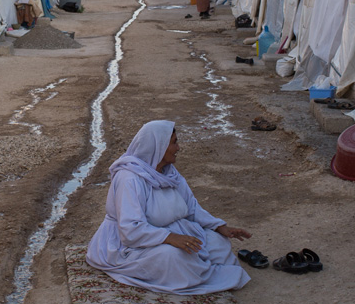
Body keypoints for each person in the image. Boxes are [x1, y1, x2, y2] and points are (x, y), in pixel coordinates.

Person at [86, 120, 252, 294]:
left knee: (220, 244)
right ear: (159, 146)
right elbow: (130, 229)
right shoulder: (129, 178)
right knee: (175, 257)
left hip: (171, 232)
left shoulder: (170, 173)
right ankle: (202, 273)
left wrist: (219, 227)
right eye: (174, 142)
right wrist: (170, 237)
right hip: (131, 245)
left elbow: (192, 207)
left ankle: (202, 270)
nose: (178, 147)